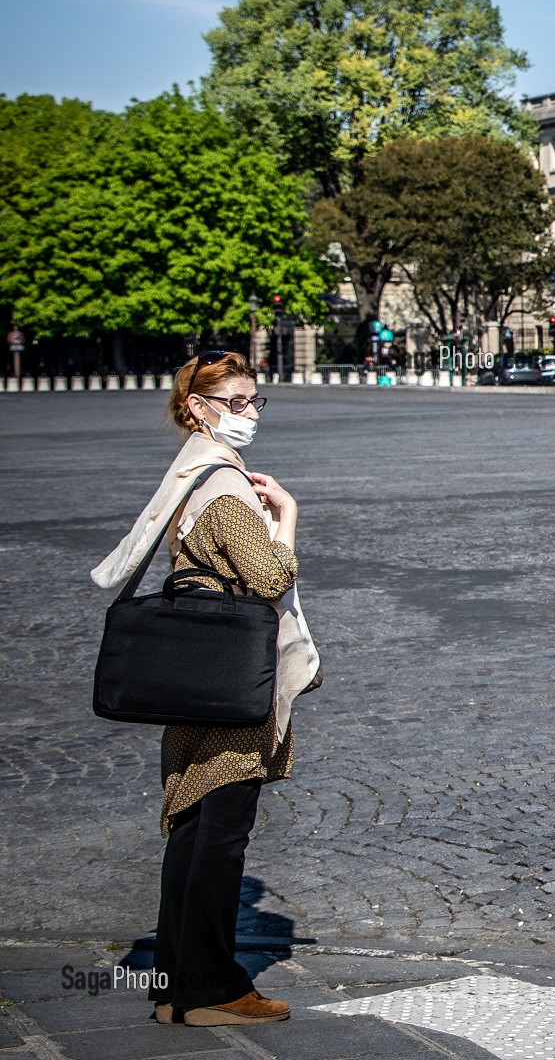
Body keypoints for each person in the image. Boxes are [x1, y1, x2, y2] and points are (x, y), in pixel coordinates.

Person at [91, 349, 314, 1027]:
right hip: (229, 681)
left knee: (192, 830)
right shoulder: (226, 489)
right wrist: (288, 513)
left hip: (198, 671)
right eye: (237, 401)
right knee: (220, 833)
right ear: (198, 406)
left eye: (254, 401)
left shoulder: (190, 473)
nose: (249, 412)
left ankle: (177, 988)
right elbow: (271, 577)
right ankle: (212, 987)